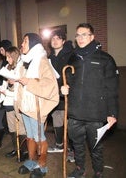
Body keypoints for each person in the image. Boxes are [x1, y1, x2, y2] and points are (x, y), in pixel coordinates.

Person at [61, 23, 118, 178]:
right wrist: (64, 89)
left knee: (96, 147)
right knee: (77, 145)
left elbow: (112, 88)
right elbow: (69, 81)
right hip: (75, 113)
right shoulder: (72, 58)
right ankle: (80, 169)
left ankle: (98, 172)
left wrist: (112, 113)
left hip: (96, 113)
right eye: (78, 35)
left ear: (92, 36)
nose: (80, 38)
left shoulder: (105, 59)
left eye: (84, 34)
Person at [16, 33, 59, 178]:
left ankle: (42, 165)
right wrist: (14, 81)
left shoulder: (42, 60)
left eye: (25, 41)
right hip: (26, 105)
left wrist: (29, 82)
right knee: (30, 136)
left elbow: (50, 84)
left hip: (37, 106)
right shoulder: (25, 61)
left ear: (34, 44)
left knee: (39, 136)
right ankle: (31, 161)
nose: (22, 44)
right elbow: (22, 80)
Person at [47, 30, 75, 162]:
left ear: (63, 41)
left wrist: (66, 83)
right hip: (55, 94)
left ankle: (72, 150)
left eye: (58, 38)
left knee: (69, 123)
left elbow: (73, 73)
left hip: (67, 93)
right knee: (56, 118)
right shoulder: (50, 57)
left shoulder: (70, 55)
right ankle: (59, 145)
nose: (55, 41)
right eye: (53, 38)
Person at [0, 46, 28, 162]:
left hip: (17, 100)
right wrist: (0, 88)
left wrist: (11, 85)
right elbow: (6, 83)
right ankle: (16, 149)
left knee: (21, 128)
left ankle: (24, 151)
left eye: (9, 57)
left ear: (15, 56)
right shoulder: (7, 67)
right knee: (11, 128)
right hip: (8, 101)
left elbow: (21, 86)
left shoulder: (21, 66)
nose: (7, 60)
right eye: (6, 57)